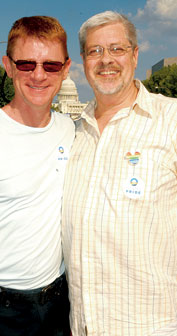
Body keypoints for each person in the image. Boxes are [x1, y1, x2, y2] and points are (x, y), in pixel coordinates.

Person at [0, 16, 74, 336]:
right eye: (25, 64)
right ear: (7, 65)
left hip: (59, 305)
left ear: (66, 68)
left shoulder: (71, 130)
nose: (38, 74)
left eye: (50, 65)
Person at [62, 11, 177, 336]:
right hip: (82, 326)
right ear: (83, 60)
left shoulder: (171, 121)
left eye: (117, 49)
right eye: (95, 51)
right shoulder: (72, 134)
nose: (106, 60)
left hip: (153, 326)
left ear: (135, 55)